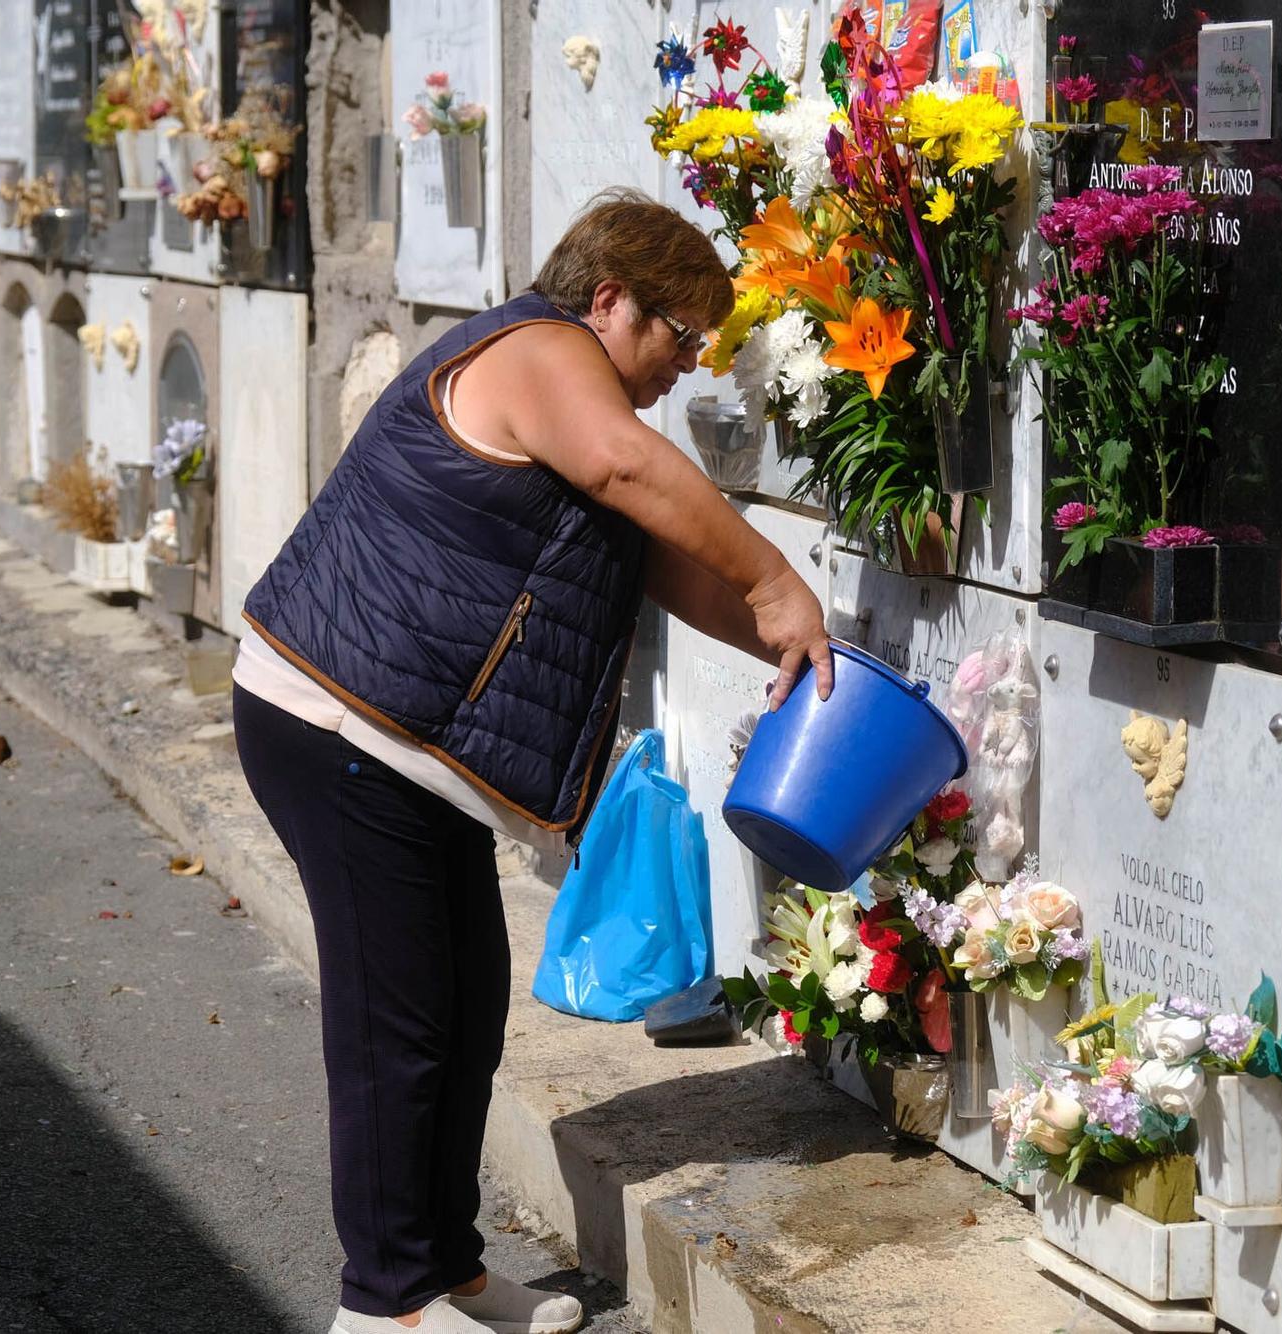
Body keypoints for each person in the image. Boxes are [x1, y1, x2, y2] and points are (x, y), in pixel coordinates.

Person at [231, 189, 833, 1334]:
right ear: (610, 301)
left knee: (463, 1006)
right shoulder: (542, 349)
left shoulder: (574, 390)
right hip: (338, 722)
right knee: (396, 1021)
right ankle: (385, 1305)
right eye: (678, 336)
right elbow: (625, 468)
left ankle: (444, 1270)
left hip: (409, 744)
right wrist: (771, 576)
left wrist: (780, 633)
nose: (683, 369)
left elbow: (653, 558)